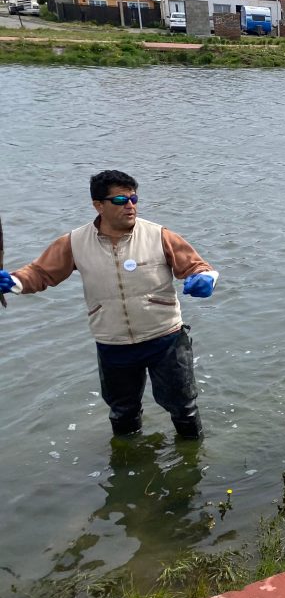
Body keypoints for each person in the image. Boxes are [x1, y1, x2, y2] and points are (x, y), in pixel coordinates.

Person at [0, 170, 218, 440]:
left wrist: (204, 279)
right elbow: (41, 273)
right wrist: (14, 282)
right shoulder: (74, 242)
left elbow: (198, 266)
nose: (130, 205)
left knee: (183, 408)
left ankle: (192, 462)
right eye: (120, 200)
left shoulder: (158, 235)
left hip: (165, 340)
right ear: (98, 205)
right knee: (122, 413)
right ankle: (128, 467)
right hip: (113, 344)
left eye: (134, 198)